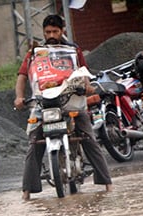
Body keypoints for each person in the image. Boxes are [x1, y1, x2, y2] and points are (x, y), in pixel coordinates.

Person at [13, 14, 112, 200]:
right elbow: (22, 77)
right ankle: (26, 192)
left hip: (71, 101)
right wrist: (19, 97)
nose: (51, 34)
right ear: (43, 32)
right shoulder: (35, 52)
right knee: (34, 143)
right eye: (48, 31)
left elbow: (83, 73)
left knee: (89, 138)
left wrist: (87, 87)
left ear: (62, 31)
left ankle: (107, 185)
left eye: (55, 31)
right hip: (43, 103)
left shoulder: (73, 50)